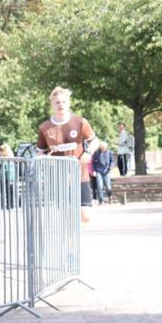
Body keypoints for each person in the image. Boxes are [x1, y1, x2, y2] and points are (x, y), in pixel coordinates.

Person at [36, 87, 98, 223]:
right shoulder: (45, 127)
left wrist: (88, 152)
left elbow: (95, 141)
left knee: (85, 217)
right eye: (57, 102)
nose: (61, 105)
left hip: (79, 174)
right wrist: (43, 160)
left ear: (69, 103)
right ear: (52, 105)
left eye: (63, 102)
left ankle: (74, 229)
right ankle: (69, 241)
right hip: (58, 176)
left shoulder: (80, 122)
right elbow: (40, 151)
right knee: (65, 215)